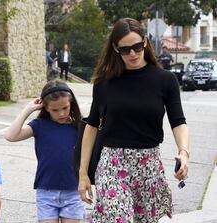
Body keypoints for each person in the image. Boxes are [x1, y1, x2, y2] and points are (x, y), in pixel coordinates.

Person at [78, 18, 190, 223]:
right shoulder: (104, 83)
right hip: (112, 164)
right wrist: (83, 173)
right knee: (118, 218)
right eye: (125, 49)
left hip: (149, 167)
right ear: (115, 48)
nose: (132, 53)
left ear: (145, 42)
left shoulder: (165, 80)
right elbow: (92, 126)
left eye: (137, 47)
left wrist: (184, 152)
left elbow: (178, 121)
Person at [5, 80, 86, 223]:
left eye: (65, 108)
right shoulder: (39, 125)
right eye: (55, 110)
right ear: (46, 107)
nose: (61, 113)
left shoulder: (79, 127)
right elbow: (11, 136)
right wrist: (28, 109)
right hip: (46, 191)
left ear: (71, 103)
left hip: (73, 191)